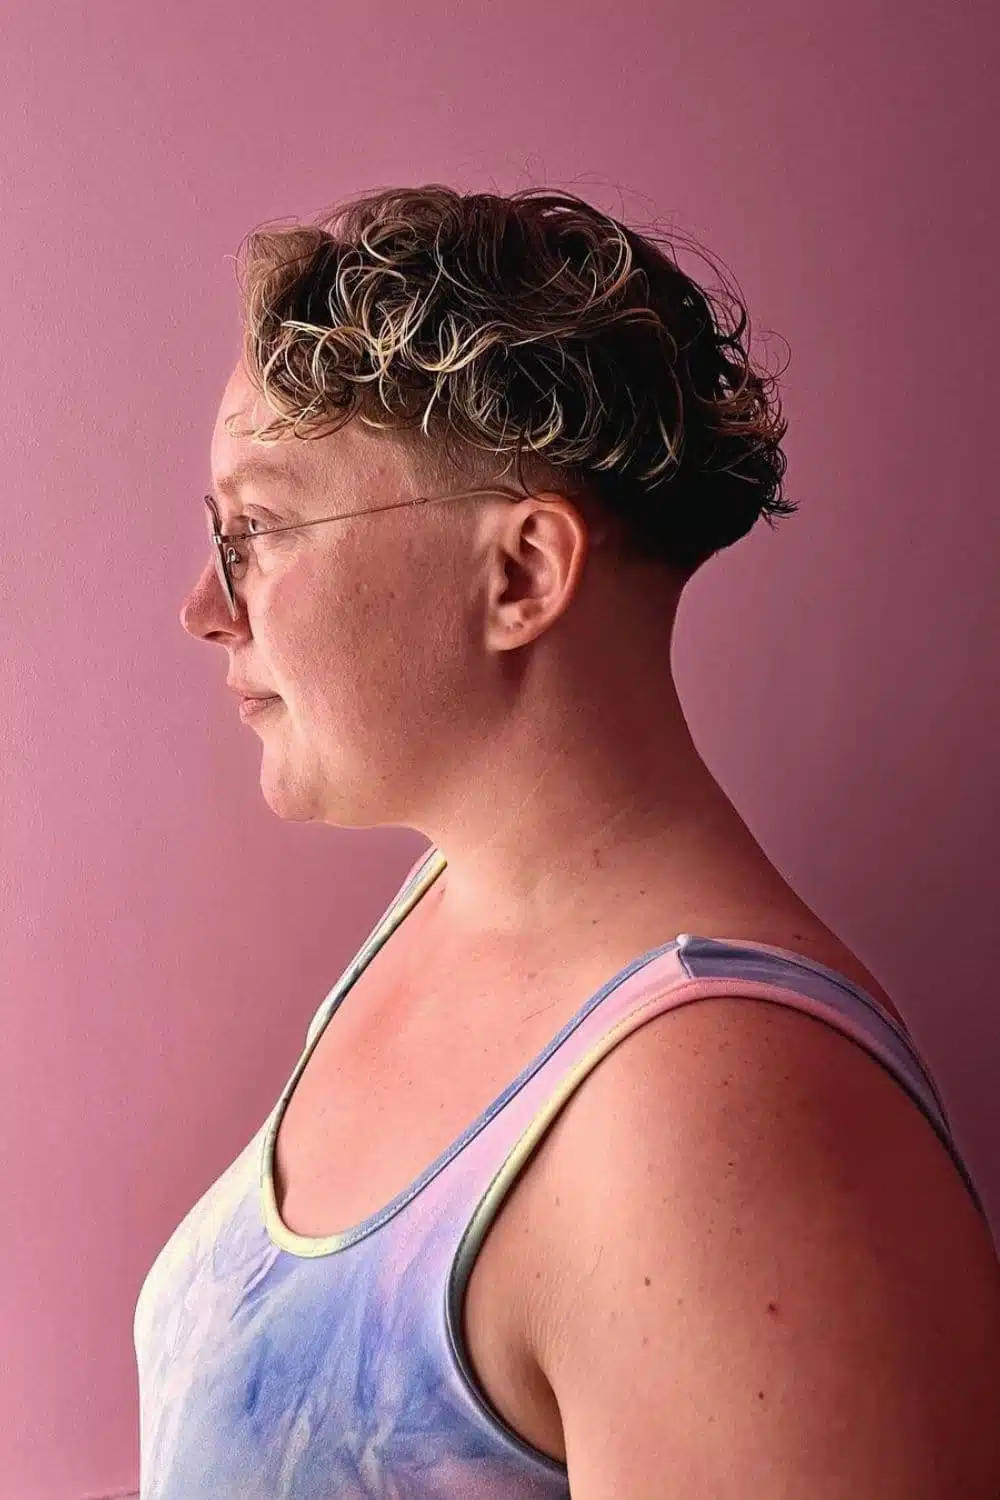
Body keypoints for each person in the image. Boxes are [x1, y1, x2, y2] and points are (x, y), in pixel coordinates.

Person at [136, 184, 1000, 1498]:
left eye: (253, 529)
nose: (207, 607)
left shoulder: (720, 1135)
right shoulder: (445, 906)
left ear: (524, 574)